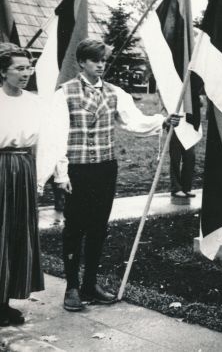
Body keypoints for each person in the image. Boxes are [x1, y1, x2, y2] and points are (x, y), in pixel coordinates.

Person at [50, 39, 180, 312]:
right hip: (77, 169)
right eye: (95, 60)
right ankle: (72, 287)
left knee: (98, 227)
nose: (101, 65)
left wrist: (162, 120)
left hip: (104, 169)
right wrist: (61, 174)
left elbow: (134, 121)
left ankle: (90, 285)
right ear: (82, 62)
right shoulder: (64, 93)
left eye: (104, 60)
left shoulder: (114, 93)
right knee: (75, 228)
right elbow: (57, 137)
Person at [0, 45, 66, 326]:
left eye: (28, 68)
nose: (26, 73)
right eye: (19, 68)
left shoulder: (35, 102)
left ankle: (5, 300)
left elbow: (48, 143)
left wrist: (53, 175)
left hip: (24, 170)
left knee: (17, 233)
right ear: (3, 71)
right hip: (1, 168)